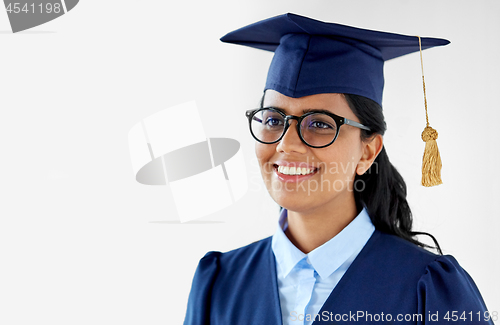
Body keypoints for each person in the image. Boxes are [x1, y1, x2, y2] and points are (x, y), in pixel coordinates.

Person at [183, 13, 494, 325]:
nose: (286, 144)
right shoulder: (219, 284)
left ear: (367, 151)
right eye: (273, 120)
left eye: (319, 123)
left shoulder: (427, 290)